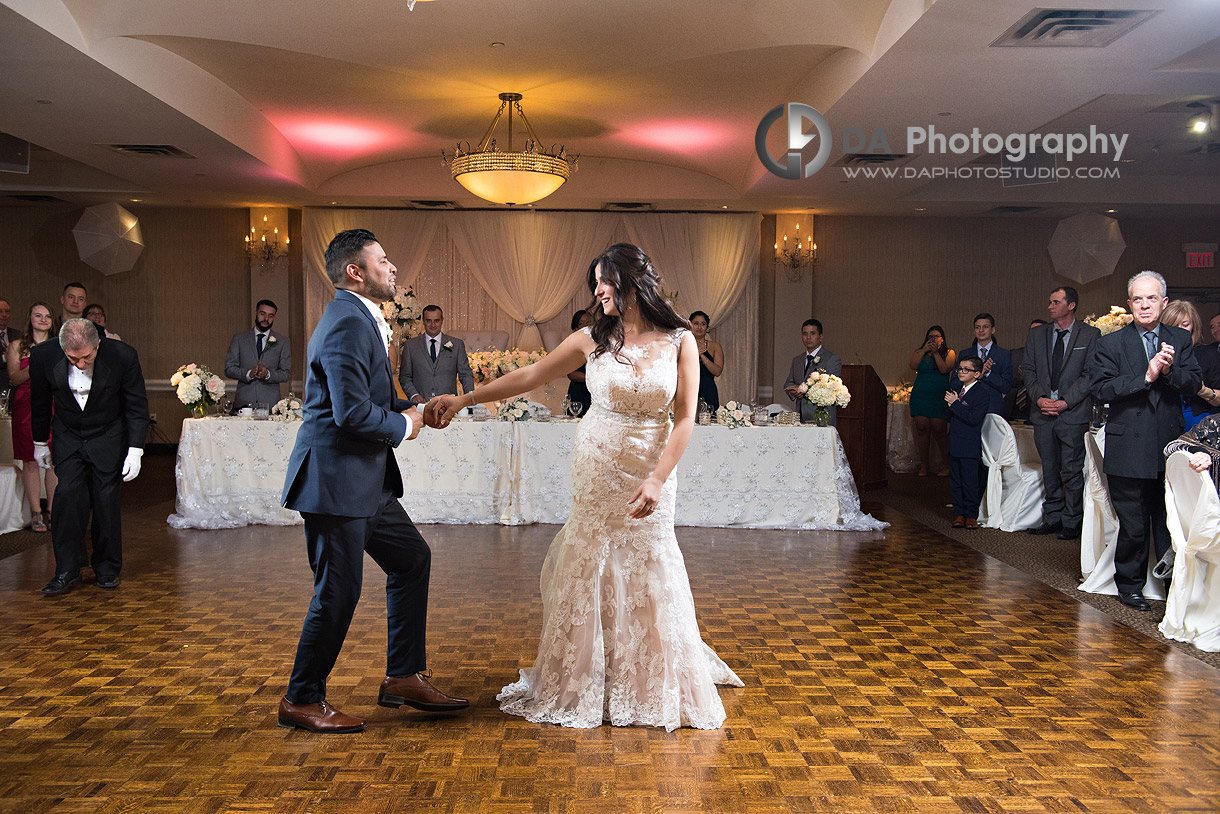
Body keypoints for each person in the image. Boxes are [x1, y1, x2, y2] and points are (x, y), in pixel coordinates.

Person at [431, 242, 742, 731]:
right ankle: (583, 676)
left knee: (650, 561)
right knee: (592, 557)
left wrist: (658, 478)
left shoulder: (681, 339)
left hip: (652, 465)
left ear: (633, 283)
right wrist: (466, 397)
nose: (597, 291)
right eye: (594, 282)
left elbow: (685, 419)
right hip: (598, 465)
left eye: (605, 281)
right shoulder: (590, 338)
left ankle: (646, 678)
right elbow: (531, 375)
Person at [278, 229, 467, 735]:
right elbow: (350, 414)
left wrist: (415, 408)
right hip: (336, 483)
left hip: (367, 483)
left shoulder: (363, 319)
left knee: (412, 560)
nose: (394, 268)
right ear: (355, 272)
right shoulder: (345, 323)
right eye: (383, 260)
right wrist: (407, 425)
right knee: (337, 593)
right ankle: (301, 698)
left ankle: (403, 675)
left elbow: (371, 400)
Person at [1091, 270, 1201, 612]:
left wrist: (1169, 373)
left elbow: (1194, 383)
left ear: (1163, 302)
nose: (1144, 305)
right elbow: (1101, 389)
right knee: (1134, 524)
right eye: (1137, 299)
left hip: (1170, 445)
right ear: (1129, 304)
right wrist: (1146, 375)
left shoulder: (1179, 341)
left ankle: (1172, 584)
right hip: (1128, 445)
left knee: (1169, 522)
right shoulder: (1110, 343)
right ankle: (1131, 585)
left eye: (1151, 298)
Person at [29, 318, 149, 595]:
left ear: (98, 345)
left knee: (106, 501)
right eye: (72, 359)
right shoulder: (43, 355)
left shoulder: (123, 356)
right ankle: (66, 570)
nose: (80, 365)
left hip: (107, 434)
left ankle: (107, 568)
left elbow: (136, 405)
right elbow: (40, 402)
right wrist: (39, 443)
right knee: (67, 497)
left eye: (86, 358)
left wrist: (136, 450)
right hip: (68, 435)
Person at [1022, 287, 1101, 540]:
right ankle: (1052, 518)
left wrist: (1065, 402)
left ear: (1071, 305)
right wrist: (1039, 398)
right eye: (1049, 301)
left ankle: (1072, 521)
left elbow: (1090, 375)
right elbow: (1029, 371)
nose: (1050, 306)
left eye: (1056, 302)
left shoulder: (1090, 335)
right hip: (1042, 413)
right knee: (1050, 469)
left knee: (1071, 470)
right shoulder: (1037, 335)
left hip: (1072, 414)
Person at [5, 303, 58, 533]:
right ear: (30, 318)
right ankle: (36, 511)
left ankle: (54, 511)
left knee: (54, 460)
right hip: (26, 406)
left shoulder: (58, 345)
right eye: (38, 315)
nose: (43, 319)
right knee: (30, 460)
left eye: (47, 316)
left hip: (54, 405)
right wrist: (36, 363)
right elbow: (14, 378)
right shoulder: (17, 346)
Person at [398, 305, 474, 406]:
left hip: (449, 405)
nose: (433, 324)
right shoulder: (410, 346)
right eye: (429, 320)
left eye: (436, 320)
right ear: (423, 321)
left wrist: (469, 399)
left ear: (442, 320)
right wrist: (414, 395)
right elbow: (405, 377)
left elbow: (465, 375)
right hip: (421, 407)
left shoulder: (457, 345)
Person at [1161, 300, 1220, 430]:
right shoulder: (1156, 355)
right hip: (1164, 422)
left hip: (1198, 422)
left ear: (1193, 326)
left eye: (1185, 324)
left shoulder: (1209, 354)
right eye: (1174, 325)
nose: (1180, 330)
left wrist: (1203, 390)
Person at [945, 357, 989, 530]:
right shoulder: (956, 390)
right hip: (954, 441)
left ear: (977, 374)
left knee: (970, 482)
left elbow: (973, 419)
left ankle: (971, 515)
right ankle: (959, 513)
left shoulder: (981, 393)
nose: (961, 372)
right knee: (955, 482)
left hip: (969, 445)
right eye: (960, 369)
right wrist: (951, 404)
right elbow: (948, 415)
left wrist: (955, 404)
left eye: (966, 369)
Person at [224, 299, 292, 410]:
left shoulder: (283, 341)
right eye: (262, 314)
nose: (266, 319)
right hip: (244, 404)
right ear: (256, 313)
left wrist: (268, 374)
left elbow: (286, 374)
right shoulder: (239, 339)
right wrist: (248, 374)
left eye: (271, 316)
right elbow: (229, 369)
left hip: (271, 405)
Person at [908, 325, 955, 476]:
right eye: (930, 336)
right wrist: (924, 351)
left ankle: (946, 465)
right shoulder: (918, 351)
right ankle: (924, 465)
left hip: (939, 395)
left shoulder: (949, 353)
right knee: (921, 426)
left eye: (936, 336)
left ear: (942, 339)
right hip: (921, 394)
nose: (933, 339)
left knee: (939, 427)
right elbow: (913, 365)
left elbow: (944, 369)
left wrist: (935, 353)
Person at [783, 319, 843, 426]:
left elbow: (830, 388)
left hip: (822, 418)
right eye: (805, 334)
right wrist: (793, 392)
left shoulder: (832, 359)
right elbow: (789, 383)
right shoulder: (797, 360)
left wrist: (802, 389)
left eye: (812, 333)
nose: (808, 338)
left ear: (821, 337)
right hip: (800, 418)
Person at [953, 313, 1011, 415]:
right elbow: (954, 383)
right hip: (967, 408)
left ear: (993, 330)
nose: (981, 330)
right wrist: (973, 375)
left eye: (985, 327)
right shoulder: (965, 354)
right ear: (974, 331)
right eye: (977, 327)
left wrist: (988, 373)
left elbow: (1006, 386)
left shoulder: (1003, 354)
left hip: (992, 408)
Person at [1003, 318, 1047, 421]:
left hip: (1037, 409)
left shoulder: (1051, 357)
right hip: (1012, 410)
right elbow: (1006, 382)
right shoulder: (1015, 354)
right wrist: (1020, 378)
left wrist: (1030, 377)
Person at [689, 310, 723, 411]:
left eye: (703, 324)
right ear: (690, 325)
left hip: (708, 390)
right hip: (689, 389)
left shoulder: (715, 346)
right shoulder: (682, 345)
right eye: (696, 323)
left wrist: (702, 355)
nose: (699, 327)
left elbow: (717, 371)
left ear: (707, 328)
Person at [564, 310, 593, 416]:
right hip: (579, 391)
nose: (586, 326)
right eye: (581, 323)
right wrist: (594, 379)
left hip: (596, 392)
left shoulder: (602, 344)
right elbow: (571, 374)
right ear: (576, 328)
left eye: (589, 322)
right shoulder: (572, 347)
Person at [0, 297, 19, 395]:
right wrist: (4, 358)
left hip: (15, 391)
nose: (4, 315)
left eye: (7, 312)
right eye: (0, 312)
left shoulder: (18, 335)